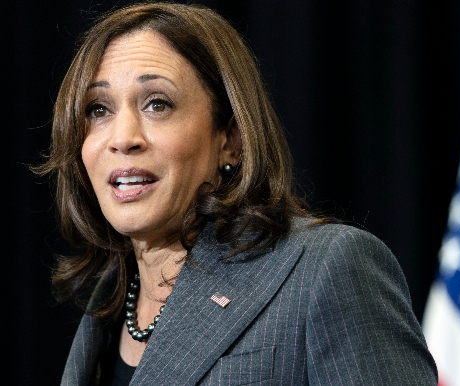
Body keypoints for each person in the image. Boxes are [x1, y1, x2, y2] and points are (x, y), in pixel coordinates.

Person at [37, 2, 438, 385]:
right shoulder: (105, 300)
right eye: (98, 110)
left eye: (157, 104)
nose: (123, 138)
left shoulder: (326, 269)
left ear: (230, 138)